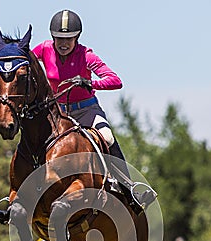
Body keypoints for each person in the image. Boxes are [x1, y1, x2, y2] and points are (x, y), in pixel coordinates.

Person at [32, 9, 149, 215]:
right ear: (53, 37)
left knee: (107, 136)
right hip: (58, 113)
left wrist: (89, 82)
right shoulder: (43, 49)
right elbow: (26, 63)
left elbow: (116, 80)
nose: (64, 43)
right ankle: (20, 191)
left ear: (77, 37)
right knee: (34, 136)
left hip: (87, 110)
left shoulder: (87, 56)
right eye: (59, 38)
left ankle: (130, 189)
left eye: (69, 38)